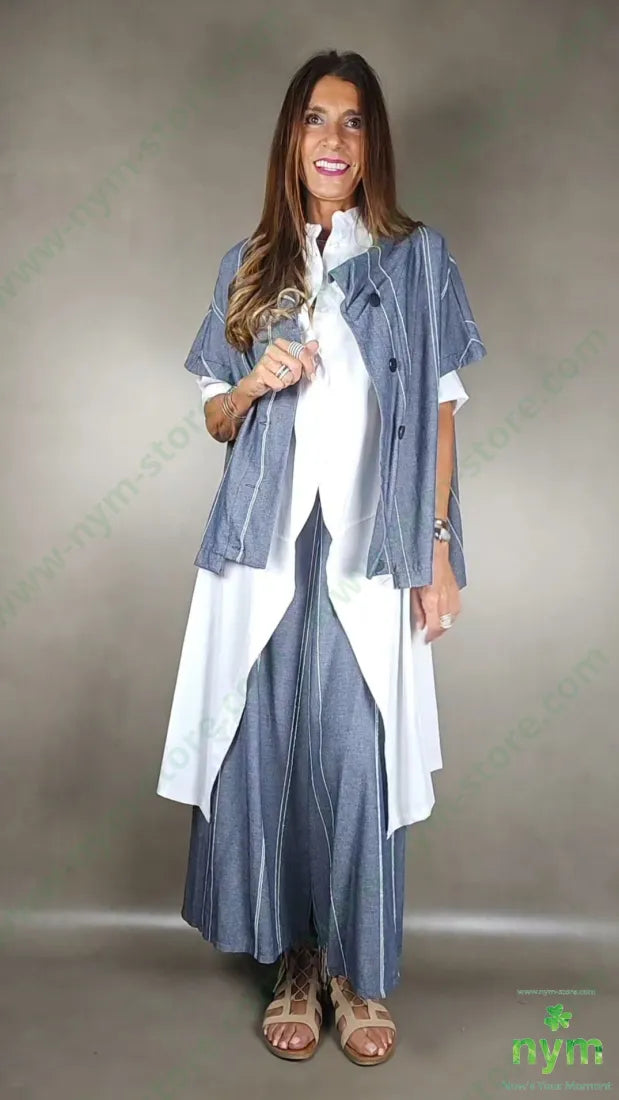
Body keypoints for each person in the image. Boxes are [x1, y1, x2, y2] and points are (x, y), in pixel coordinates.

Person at [157, 48, 487, 1066]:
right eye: (314, 119)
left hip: (370, 548)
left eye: (350, 121)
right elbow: (215, 416)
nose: (332, 139)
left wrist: (439, 549)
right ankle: (296, 964)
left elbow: (441, 412)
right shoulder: (251, 265)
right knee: (268, 750)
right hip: (263, 551)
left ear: (371, 142)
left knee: (357, 754)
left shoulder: (418, 261)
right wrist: (254, 381)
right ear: (290, 140)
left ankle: (355, 971)